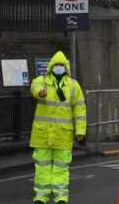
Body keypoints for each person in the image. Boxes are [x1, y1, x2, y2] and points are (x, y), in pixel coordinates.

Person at [29, 51, 86, 204]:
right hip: (43, 135)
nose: (59, 67)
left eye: (61, 65)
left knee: (61, 168)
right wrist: (39, 92)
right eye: (56, 65)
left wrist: (81, 131)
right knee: (42, 167)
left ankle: (61, 197)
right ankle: (41, 196)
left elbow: (80, 109)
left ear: (66, 67)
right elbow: (34, 86)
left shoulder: (73, 86)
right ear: (50, 67)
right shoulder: (42, 81)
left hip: (62, 135)